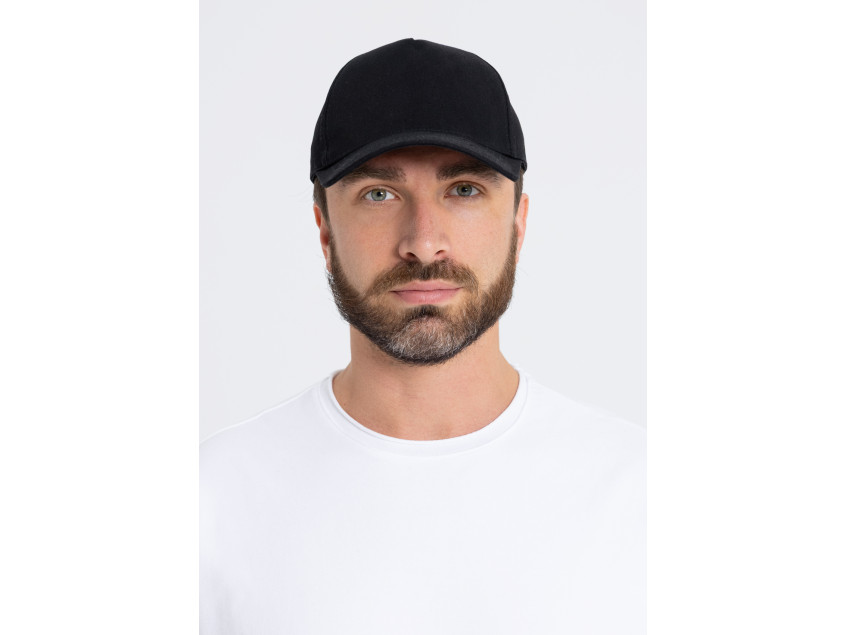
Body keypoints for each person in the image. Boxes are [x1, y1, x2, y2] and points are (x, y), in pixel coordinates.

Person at [201, 38, 645, 634]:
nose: (424, 241)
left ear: (518, 224)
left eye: (464, 190)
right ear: (325, 231)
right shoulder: (213, 499)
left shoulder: (639, 492)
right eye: (379, 194)